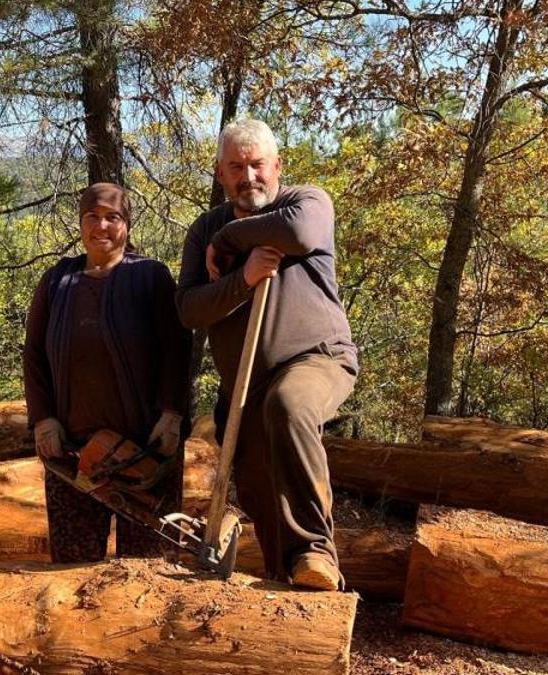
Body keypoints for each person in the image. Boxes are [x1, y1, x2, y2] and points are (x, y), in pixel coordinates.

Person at [176, 119, 358, 590]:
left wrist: (232, 240)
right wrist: (242, 278)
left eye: (257, 164)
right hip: (245, 385)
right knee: (257, 486)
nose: (248, 176)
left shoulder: (307, 201)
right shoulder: (204, 229)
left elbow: (296, 233)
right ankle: (289, 583)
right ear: (220, 174)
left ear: (277, 165)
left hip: (317, 358)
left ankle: (316, 552)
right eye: (236, 167)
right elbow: (189, 308)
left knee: (291, 404)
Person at [23, 182, 191, 563]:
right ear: (80, 224)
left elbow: (177, 351)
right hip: (72, 452)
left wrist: (171, 414)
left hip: (147, 451)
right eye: (92, 217)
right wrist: (43, 419)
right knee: (72, 568)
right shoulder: (56, 281)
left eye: (113, 217)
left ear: (127, 225)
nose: (102, 226)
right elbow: (34, 355)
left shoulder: (150, 276)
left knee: (150, 568)